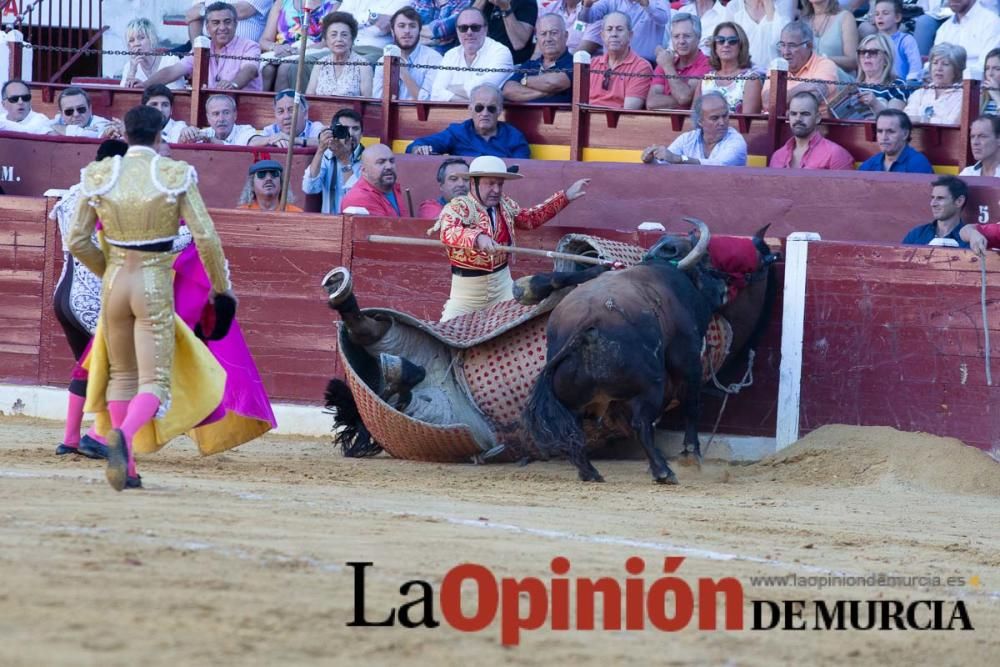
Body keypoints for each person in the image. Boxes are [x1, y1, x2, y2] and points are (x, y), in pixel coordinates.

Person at [66, 105, 237, 491]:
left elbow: (76, 240)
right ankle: (124, 438)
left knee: (121, 377)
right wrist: (222, 288)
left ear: (126, 134)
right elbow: (207, 238)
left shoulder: (100, 175)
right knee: (155, 380)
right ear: (162, 134)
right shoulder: (172, 175)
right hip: (153, 281)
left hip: (114, 283)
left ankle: (128, 470)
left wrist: (109, 269)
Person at [432, 155, 590, 320]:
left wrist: (565, 197)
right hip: (467, 295)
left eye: (500, 184)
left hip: (504, 288)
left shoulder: (505, 204)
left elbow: (530, 219)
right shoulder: (458, 207)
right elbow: (448, 232)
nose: (497, 190)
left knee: (525, 329)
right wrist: (478, 238)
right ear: (474, 183)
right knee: (447, 334)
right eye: (490, 183)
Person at [50, 140, 130, 461]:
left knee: (88, 367)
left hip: (63, 297)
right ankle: (97, 436)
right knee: (122, 366)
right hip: (91, 298)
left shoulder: (71, 191)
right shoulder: (107, 195)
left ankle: (69, 439)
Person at [148, 2, 264, 91]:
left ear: (235, 24)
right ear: (207, 28)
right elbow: (173, 71)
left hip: (245, 109)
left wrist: (233, 85)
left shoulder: (250, 46)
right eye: (216, 23)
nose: (222, 27)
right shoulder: (202, 48)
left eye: (227, 22)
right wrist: (144, 85)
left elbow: (249, 70)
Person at [407, 83, 531, 157]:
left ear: (499, 111)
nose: (485, 113)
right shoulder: (457, 132)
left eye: (491, 108)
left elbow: (522, 171)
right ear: (470, 109)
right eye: (479, 108)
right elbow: (415, 146)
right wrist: (418, 149)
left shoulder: (514, 137)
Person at [640, 90, 748, 166]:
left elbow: (718, 165)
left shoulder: (736, 141)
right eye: (715, 118)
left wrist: (679, 159)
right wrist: (652, 160)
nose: (722, 122)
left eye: (725, 116)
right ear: (700, 121)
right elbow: (665, 163)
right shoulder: (687, 139)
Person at [430, 7, 516, 101]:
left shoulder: (501, 52)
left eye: (475, 27)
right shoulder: (450, 55)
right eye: (463, 28)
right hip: (452, 113)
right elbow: (435, 94)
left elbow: (485, 92)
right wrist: (471, 103)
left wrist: (449, 89)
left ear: (485, 29)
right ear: (457, 31)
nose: (469, 32)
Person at [761, 21, 840, 115]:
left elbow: (814, 96)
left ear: (809, 45)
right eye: (782, 45)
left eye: (792, 45)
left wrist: (778, 99)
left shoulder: (825, 64)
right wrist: (804, 88)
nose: (786, 52)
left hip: (816, 127)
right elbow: (767, 102)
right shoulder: (776, 65)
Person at [258, 0, 339, 91]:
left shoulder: (333, 5)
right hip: (281, 50)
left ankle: (285, 104)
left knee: (286, 68)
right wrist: (276, 47)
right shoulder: (281, 3)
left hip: (311, 51)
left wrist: (297, 51)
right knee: (267, 69)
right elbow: (264, 41)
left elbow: (327, 42)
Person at [769, 90, 855, 169]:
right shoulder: (778, 156)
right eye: (793, 114)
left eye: (805, 114)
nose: (798, 118)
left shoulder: (836, 154)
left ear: (817, 118)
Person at [373, 7, 444, 100]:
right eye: (401, 26)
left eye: (412, 26)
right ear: (392, 31)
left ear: (419, 30)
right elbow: (377, 101)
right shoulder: (383, 61)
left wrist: (404, 74)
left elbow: (429, 102)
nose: (407, 31)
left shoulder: (433, 59)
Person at [302, 108, 365, 214]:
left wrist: (344, 159)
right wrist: (321, 149)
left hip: (355, 222)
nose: (350, 133)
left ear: (362, 134)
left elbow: (357, 198)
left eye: (355, 129)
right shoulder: (327, 155)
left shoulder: (368, 158)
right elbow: (310, 188)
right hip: (329, 223)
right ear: (334, 131)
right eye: (345, 129)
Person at [502, 13, 574, 104]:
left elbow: (555, 83)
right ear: (537, 38)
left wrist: (524, 80)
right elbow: (508, 90)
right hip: (528, 117)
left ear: (566, 35)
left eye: (554, 33)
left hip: (561, 117)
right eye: (543, 34)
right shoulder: (530, 64)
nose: (548, 39)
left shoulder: (574, 63)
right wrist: (544, 93)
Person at [587, 12, 653, 110]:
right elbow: (579, 102)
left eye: (619, 29)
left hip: (618, 122)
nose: (614, 34)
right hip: (587, 120)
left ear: (630, 35)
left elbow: (629, 111)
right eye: (609, 29)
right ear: (602, 36)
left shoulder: (641, 67)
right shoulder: (592, 63)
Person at [646, 13, 712, 111]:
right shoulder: (665, 61)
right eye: (676, 36)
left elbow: (684, 97)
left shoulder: (707, 64)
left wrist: (668, 67)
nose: (681, 41)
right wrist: (687, 99)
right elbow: (651, 103)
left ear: (698, 38)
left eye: (687, 36)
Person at [693, 22, 762, 114]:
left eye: (732, 41)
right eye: (720, 40)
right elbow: (693, 118)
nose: (726, 44)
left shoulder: (751, 80)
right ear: (715, 46)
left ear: (741, 46)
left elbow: (749, 125)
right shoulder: (705, 80)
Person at [577, 0, 671, 63]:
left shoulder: (658, 1)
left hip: (644, 64)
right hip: (612, 62)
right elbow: (587, 17)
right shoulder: (611, 1)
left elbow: (663, 19)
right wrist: (587, 5)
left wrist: (646, 4)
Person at [306, 11, 374, 97]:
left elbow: (368, 104)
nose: (339, 39)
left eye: (344, 35)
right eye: (333, 35)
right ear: (326, 39)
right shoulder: (320, 64)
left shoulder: (363, 66)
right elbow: (309, 99)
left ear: (352, 38)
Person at [932, 0, 1000, 81]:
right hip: (943, 86)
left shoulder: (991, 22)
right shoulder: (944, 28)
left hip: (975, 88)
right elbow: (934, 62)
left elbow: (987, 66)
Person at [903, 42, 965, 126]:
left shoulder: (962, 96)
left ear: (957, 69)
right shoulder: (920, 93)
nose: (938, 68)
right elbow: (905, 120)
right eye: (935, 63)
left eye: (945, 64)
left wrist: (922, 119)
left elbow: (952, 124)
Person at [857, 108, 934, 172]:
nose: (884, 137)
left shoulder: (918, 164)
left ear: (905, 134)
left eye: (890, 132)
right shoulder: (870, 164)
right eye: (880, 131)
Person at [904, 176, 970, 247]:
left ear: (959, 201)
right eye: (933, 198)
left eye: (940, 198)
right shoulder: (916, 234)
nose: (933, 204)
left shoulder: (969, 238)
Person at [341, 144, 405, 216]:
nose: (389, 166)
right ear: (364, 171)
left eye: (392, 161)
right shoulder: (358, 198)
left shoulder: (394, 188)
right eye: (381, 162)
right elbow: (386, 227)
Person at [120, 18, 183, 90]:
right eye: (131, 40)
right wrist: (132, 71)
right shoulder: (129, 67)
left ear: (152, 39)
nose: (136, 44)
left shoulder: (171, 61)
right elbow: (123, 96)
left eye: (141, 38)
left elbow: (177, 92)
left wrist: (146, 86)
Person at [800, 0, 859, 74]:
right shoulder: (803, 20)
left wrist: (824, 60)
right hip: (808, 78)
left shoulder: (845, 17)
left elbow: (853, 61)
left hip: (838, 80)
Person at [253, 88, 325, 148]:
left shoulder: (315, 128)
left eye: (291, 110)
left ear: (305, 114)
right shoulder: (271, 130)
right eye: (281, 111)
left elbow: (326, 142)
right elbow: (252, 142)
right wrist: (270, 139)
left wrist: (292, 140)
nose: (286, 116)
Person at [871, 0, 922, 83]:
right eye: (877, 14)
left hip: (900, 89)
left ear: (897, 17)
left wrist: (909, 83)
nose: (880, 17)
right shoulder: (872, 41)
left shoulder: (906, 40)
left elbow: (915, 67)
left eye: (885, 13)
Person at [477, 0, 539, 65]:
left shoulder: (526, 2)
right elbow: (467, 23)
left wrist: (505, 8)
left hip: (511, 64)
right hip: (481, 60)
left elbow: (519, 43)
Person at [49, 87, 122, 139]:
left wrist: (57, 128)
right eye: (69, 111)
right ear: (61, 114)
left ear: (90, 109)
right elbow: (40, 127)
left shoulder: (101, 123)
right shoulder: (58, 120)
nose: (76, 114)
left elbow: (96, 135)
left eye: (81, 109)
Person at [238, 159, 304, 211]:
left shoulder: (296, 213)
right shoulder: (241, 213)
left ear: (282, 184)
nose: (269, 178)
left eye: (274, 174)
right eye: (261, 174)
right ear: (252, 185)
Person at [981, 48, 1000, 116]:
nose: (990, 73)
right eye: (987, 68)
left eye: (997, 69)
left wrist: (997, 97)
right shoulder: (981, 97)